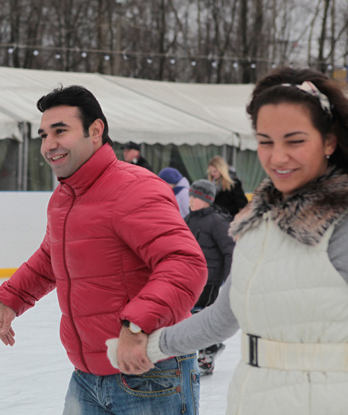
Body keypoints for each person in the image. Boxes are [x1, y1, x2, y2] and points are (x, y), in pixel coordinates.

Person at [108, 67, 348, 415]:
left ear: (329, 140)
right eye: (265, 141)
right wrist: (152, 346)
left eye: (295, 140)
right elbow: (223, 316)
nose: (277, 157)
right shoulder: (258, 225)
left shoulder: (341, 224)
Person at [0, 85, 208, 415]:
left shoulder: (134, 188)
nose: (48, 145)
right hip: (87, 374)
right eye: (43, 135)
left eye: (60, 131)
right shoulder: (65, 197)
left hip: (149, 373)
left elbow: (184, 263)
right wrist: (13, 298)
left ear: (95, 131)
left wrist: (136, 327)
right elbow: (52, 256)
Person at [185, 179, 235, 376]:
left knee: (204, 315)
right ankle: (208, 347)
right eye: (190, 196)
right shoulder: (188, 219)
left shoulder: (216, 221)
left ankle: (208, 351)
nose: (190, 200)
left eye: (195, 197)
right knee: (193, 316)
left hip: (211, 278)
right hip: (192, 277)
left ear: (206, 199)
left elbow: (229, 250)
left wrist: (227, 276)